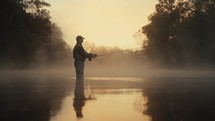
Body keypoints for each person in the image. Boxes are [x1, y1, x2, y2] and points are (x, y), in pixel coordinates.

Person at [73, 35, 97, 100]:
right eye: (82, 39)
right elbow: (84, 53)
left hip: (80, 62)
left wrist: (89, 56)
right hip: (79, 62)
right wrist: (91, 56)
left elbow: (83, 54)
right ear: (79, 39)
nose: (83, 40)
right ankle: (79, 92)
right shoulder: (78, 46)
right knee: (80, 76)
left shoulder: (79, 46)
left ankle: (79, 92)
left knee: (80, 75)